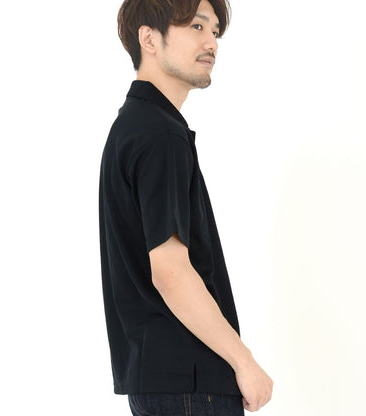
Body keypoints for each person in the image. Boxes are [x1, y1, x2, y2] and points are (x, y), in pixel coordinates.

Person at [98, 0, 273, 414]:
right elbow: (171, 271)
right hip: (190, 382)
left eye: (215, 31)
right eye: (196, 26)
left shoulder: (134, 126)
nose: (211, 42)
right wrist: (244, 362)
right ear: (148, 38)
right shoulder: (160, 135)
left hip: (161, 379)